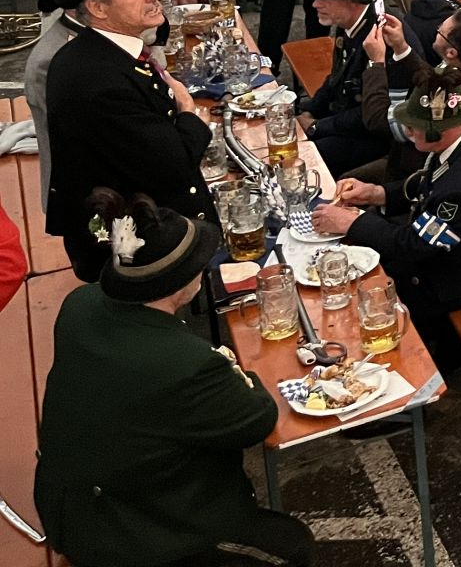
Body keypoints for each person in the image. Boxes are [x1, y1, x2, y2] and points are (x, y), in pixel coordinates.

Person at [35, 190, 313, 567]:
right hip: (129, 535)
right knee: (293, 547)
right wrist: (243, 371)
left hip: (68, 505)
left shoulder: (79, 305)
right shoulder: (187, 364)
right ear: (180, 282)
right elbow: (257, 419)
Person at [313, 67, 461, 360]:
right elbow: (429, 183)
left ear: (441, 129)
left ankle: (406, 367)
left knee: (361, 295)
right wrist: (377, 194)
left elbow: (416, 245)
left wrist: (354, 222)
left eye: (414, 125)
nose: (408, 130)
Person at [43, 0, 216, 283]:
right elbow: (175, 165)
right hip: (137, 257)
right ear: (97, 7)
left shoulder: (103, 53)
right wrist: (188, 112)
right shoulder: (95, 78)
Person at [295, 0, 430, 176]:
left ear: (353, 1)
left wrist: (318, 126)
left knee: (302, 161)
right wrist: (308, 110)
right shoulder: (350, 21)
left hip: (379, 138)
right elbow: (336, 78)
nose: (315, 3)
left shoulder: (382, 35)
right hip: (349, 122)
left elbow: (372, 113)